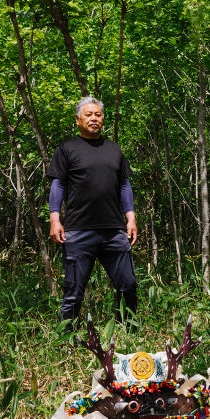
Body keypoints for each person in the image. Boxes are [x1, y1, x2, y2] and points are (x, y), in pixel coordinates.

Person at [48, 96, 138, 327]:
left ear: (103, 118)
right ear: (78, 120)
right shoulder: (67, 149)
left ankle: (128, 331)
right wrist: (55, 219)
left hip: (114, 230)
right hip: (78, 230)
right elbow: (57, 185)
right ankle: (67, 336)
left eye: (98, 115)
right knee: (73, 290)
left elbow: (124, 185)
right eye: (88, 115)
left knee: (127, 284)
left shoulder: (114, 149)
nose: (94, 119)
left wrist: (131, 217)